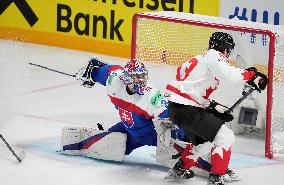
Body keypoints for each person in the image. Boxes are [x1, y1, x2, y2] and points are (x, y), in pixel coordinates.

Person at [165, 32, 268, 185]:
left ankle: (180, 169)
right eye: (228, 51)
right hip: (187, 109)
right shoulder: (214, 55)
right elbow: (228, 74)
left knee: (205, 141)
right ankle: (217, 177)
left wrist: (212, 107)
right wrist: (251, 75)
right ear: (225, 49)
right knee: (226, 137)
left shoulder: (201, 60)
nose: (227, 55)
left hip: (176, 109)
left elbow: (192, 89)